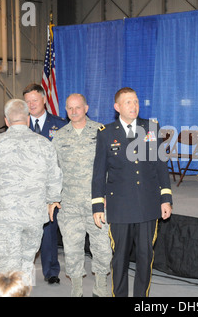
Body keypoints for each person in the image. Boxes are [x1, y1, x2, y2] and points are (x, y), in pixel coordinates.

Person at [0, 99, 62, 286]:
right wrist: (52, 200)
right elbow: (56, 177)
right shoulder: (45, 144)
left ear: (6, 120)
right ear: (27, 119)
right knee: (26, 263)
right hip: (33, 218)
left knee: (6, 269)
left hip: (5, 219)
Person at [91, 87, 172, 297]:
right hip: (120, 207)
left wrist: (166, 198)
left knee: (146, 257)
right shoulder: (106, 133)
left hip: (147, 204)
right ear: (117, 107)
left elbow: (160, 166)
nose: (133, 106)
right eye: (128, 102)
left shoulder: (151, 128)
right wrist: (98, 205)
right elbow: (99, 172)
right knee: (120, 258)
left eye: (135, 101)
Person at [52, 94, 112, 297]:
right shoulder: (59, 136)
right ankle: (76, 286)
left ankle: (101, 284)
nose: (74, 111)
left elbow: (111, 167)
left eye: (78, 107)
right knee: (72, 248)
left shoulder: (101, 131)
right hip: (69, 204)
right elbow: (54, 171)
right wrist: (53, 198)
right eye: (70, 108)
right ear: (66, 110)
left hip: (97, 203)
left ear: (86, 107)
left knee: (102, 247)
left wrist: (108, 195)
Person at [23, 83, 67, 285]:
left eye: (34, 100)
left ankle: (51, 271)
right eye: (27, 101)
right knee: (25, 232)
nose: (31, 104)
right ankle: (24, 273)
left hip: (50, 189)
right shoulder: (19, 125)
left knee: (49, 231)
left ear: (43, 100)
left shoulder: (60, 125)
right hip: (27, 189)